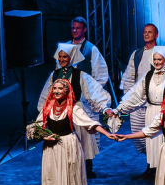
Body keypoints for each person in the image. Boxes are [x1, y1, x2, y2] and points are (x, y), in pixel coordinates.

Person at [34, 78, 118, 185]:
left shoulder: (73, 108)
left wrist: (107, 134)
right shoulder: (48, 107)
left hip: (68, 145)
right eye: (55, 89)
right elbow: (37, 126)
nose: (57, 91)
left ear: (66, 91)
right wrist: (44, 136)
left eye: (60, 89)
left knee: (71, 179)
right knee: (59, 180)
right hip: (52, 148)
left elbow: (89, 123)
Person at [109, 46, 165, 175]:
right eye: (155, 59)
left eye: (160, 59)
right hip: (151, 112)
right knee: (152, 141)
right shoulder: (148, 76)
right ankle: (154, 169)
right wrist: (119, 109)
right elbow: (135, 95)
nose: (157, 62)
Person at [38, 43, 112, 178]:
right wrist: (44, 111)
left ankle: (86, 168)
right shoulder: (54, 75)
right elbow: (46, 94)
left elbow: (93, 92)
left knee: (82, 139)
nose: (61, 60)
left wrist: (105, 107)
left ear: (71, 58)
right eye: (59, 57)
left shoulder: (81, 75)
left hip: (75, 108)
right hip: (59, 111)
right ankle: (64, 167)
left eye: (64, 57)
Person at [117, 24, 165, 159]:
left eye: (150, 32)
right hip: (138, 101)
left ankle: (156, 165)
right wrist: (128, 97)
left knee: (155, 134)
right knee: (138, 134)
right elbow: (129, 76)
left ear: (156, 35)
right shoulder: (137, 54)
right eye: (145, 32)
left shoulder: (163, 53)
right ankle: (149, 161)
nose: (146, 34)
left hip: (156, 102)